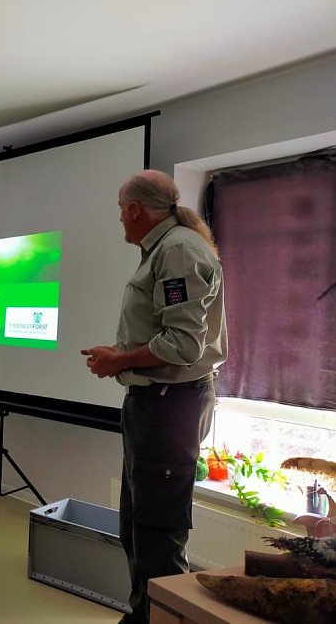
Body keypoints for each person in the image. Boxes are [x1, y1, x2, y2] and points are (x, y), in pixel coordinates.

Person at [81, 170, 227, 624]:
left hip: (170, 407)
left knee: (158, 536)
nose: (119, 220)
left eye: (120, 210)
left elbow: (183, 345)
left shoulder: (179, 249)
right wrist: (120, 357)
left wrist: (120, 360)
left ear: (134, 210)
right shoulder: (166, 248)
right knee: (139, 529)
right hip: (156, 406)